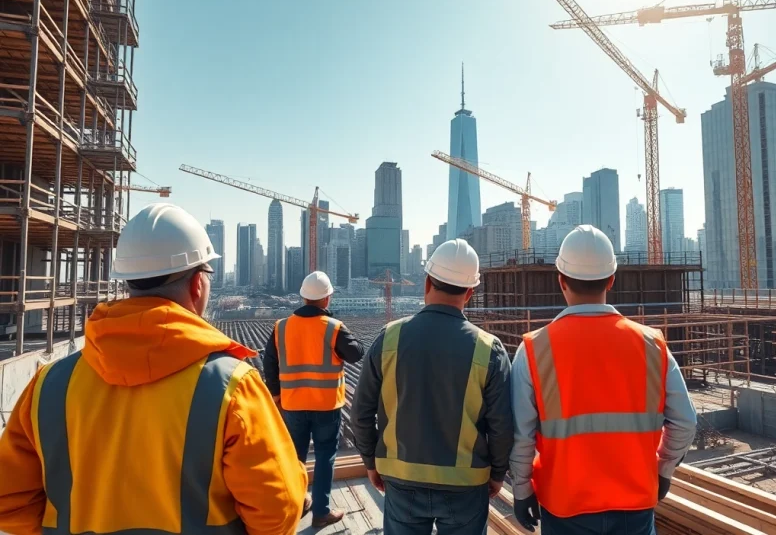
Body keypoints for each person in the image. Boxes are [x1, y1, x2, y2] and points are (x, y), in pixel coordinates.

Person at [0, 203, 308, 535]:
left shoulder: (47, 386)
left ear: (128, 282)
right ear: (198, 286)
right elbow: (278, 511)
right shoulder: (233, 387)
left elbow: (9, 500)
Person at [509, 225, 698, 535]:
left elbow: (521, 436)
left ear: (561, 281)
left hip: (565, 507)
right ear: (611, 279)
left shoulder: (534, 350)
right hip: (634, 506)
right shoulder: (652, 345)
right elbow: (685, 422)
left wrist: (521, 488)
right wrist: (663, 469)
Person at [351, 238, 513, 535]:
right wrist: (498, 472)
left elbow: (360, 413)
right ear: (470, 292)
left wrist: (371, 462)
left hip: (401, 479)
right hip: (466, 485)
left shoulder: (388, 339)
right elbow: (502, 425)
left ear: (427, 283)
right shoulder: (489, 349)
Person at [262, 270, 365, 528]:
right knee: (325, 456)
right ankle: (321, 512)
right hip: (326, 406)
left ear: (302, 297)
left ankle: (298, 504)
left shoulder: (281, 327)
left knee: (294, 458)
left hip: (293, 406)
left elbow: (269, 364)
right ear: (327, 299)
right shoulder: (334, 328)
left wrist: (277, 395)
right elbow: (356, 354)